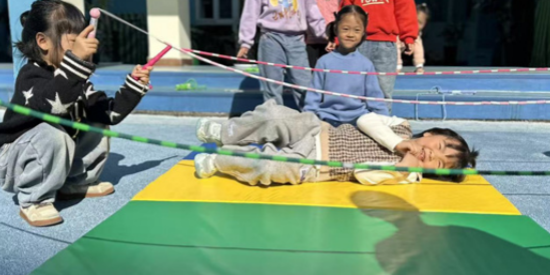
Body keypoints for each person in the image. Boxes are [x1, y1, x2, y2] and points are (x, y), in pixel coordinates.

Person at [0, 0, 151, 227]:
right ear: (43, 41)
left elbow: (110, 114)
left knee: (96, 122)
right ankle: (35, 199)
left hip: (46, 152)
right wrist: (77, 62)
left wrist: (134, 86)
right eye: (74, 42)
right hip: (10, 160)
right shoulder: (31, 76)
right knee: (53, 133)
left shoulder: (74, 80)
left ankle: (76, 181)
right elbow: (55, 104)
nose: (84, 47)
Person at [193, 100, 478, 187]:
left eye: (439, 164)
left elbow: (363, 175)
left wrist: (404, 166)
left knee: (268, 166)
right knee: (274, 116)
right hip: (318, 131)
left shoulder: (407, 175)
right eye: (440, 147)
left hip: (316, 166)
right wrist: (397, 144)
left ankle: (220, 160)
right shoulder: (402, 126)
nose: (432, 156)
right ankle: (225, 132)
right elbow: (366, 120)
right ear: (431, 134)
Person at [237, 0, 327, 108]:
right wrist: (246, 42)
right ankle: (274, 119)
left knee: (303, 84)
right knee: (272, 86)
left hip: (297, 41)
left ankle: (310, 118)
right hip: (270, 40)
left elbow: (311, 8)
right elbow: (250, 13)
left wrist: (325, 33)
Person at [341, 0, 419, 112]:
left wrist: (408, 37)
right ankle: (358, 120)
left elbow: (405, 10)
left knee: (383, 88)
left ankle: (383, 121)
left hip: (386, 46)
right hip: (359, 45)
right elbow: (345, 14)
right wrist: (339, 39)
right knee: (357, 87)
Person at [303, 5, 390, 127]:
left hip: (359, 121)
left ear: (363, 32)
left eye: (357, 30)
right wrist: (308, 120)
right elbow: (313, 97)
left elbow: (374, 98)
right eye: (345, 29)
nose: (350, 34)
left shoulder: (366, 65)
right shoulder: (323, 62)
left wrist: (385, 121)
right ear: (336, 29)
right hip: (328, 119)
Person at [398, 3, 430, 74]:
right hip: (389, 50)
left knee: (418, 43)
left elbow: (419, 50)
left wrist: (419, 66)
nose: (416, 25)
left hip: (400, 49)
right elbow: (395, 47)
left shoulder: (417, 34)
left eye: (420, 23)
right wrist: (398, 66)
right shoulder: (400, 30)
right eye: (413, 21)